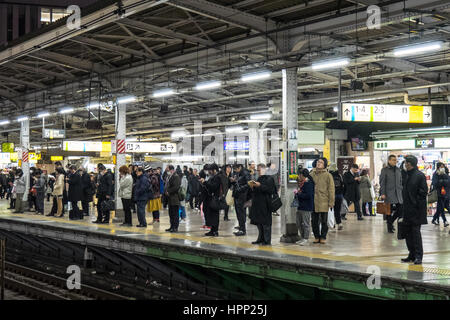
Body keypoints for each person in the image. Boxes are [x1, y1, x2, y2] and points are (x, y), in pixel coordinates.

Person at [401, 155, 428, 265]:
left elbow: (423, 191)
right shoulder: (406, 175)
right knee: (408, 234)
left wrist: (415, 202)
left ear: (410, 163)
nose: (405, 164)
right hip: (407, 209)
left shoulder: (419, 175)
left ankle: (418, 256)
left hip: (416, 210)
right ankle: (411, 254)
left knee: (416, 234)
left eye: (406, 162)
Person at [249, 164, 276, 245]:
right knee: (259, 223)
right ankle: (260, 239)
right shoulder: (260, 178)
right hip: (258, 203)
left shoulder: (269, 178)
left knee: (266, 223)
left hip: (265, 204)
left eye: (259, 170)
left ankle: (267, 241)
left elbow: (270, 190)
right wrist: (253, 186)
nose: (258, 171)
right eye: (257, 170)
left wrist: (259, 185)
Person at [309, 158, 335, 244]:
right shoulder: (311, 174)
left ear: (324, 165)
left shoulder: (328, 175)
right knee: (314, 220)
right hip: (313, 201)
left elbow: (331, 189)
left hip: (324, 200)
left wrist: (331, 202)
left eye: (321, 162)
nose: (318, 163)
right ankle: (316, 236)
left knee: (324, 220)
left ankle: (323, 236)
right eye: (317, 162)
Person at [379, 155, 403, 233]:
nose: (395, 161)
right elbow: (382, 182)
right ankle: (389, 227)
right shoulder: (384, 170)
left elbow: (400, 181)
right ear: (389, 161)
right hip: (388, 193)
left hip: (398, 193)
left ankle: (390, 222)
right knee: (388, 211)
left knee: (400, 210)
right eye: (393, 160)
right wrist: (382, 193)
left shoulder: (398, 170)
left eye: (396, 160)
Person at [230, 163, 251, 236]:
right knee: (239, 212)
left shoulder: (245, 173)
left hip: (242, 196)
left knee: (241, 212)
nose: (235, 171)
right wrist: (234, 181)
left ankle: (242, 230)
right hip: (238, 195)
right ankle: (241, 226)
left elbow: (249, 184)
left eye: (236, 169)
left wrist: (240, 189)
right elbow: (239, 182)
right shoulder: (239, 173)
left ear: (240, 167)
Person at [201, 163, 222, 236]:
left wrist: (205, 183)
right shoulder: (213, 176)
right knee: (211, 215)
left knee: (214, 215)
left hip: (214, 199)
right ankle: (212, 230)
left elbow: (213, 187)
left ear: (214, 170)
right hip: (209, 199)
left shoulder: (217, 177)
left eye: (210, 170)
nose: (209, 172)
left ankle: (215, 231)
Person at [295, 168, 314, 245]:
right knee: (298, 223)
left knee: (306, 223)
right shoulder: (301, 183)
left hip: (306, 206)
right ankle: (302, 237)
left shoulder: (308, 183)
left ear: (302, 175)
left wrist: (299, 194)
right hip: (300, 206)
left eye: (299, 175)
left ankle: (306, 239)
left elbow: (308, 195)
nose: (298, 177)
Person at [431, 162, 450, 227]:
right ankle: (445, 220)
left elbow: (448, 182)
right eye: (441, 167)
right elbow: (435, 183)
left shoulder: (445, 174)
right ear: (438, 167)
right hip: (439, 194)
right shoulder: (435, 174)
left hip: (446, 194)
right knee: (442, 207)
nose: (442, 168)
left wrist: (442, 181)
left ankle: (434, 219)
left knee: (440, 207)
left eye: (443, 167)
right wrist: (442, 181)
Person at [164, 165, 181, 232]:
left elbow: (176, 187)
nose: (167, 172)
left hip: (174, 198)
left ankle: (175, 227)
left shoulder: (176, 177)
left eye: (167, 170)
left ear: (171, 170)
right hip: (170, 198)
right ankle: (171, 226)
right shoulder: (169, 176)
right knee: (171, 213)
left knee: (175, 213)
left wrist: (169, 191)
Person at [329, 163, 344, 229]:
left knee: (330, 211)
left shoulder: (329, 175)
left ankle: (332, 224)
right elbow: (343, 185)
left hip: (332, 195)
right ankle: (339, 223)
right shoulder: (339, 175)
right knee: (337, 210)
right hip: (339, 196)